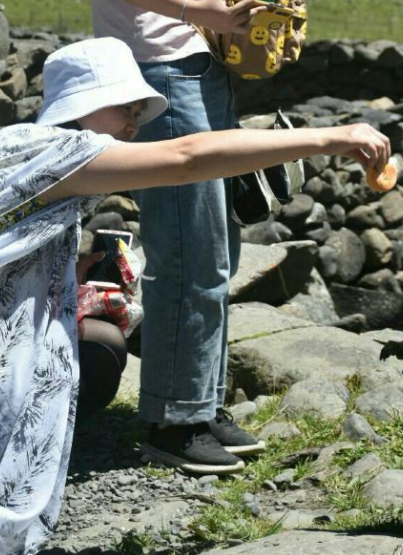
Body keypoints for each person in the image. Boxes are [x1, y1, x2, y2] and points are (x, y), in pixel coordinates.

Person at [0, 37, 389, 553]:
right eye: (124, 107)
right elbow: (186, 156)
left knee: (97, 345)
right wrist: (331, 138)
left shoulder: (12, 143)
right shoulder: (68, 151)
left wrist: (77, 273)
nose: (134, 121)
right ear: (82, 105)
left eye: (138, 109)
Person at [90, 0, 280, 474]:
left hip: (204, 66)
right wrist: (202, 11)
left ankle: (202, 405)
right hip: (162, 70)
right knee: (189, 250)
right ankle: (174, 422)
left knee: (218, 252)